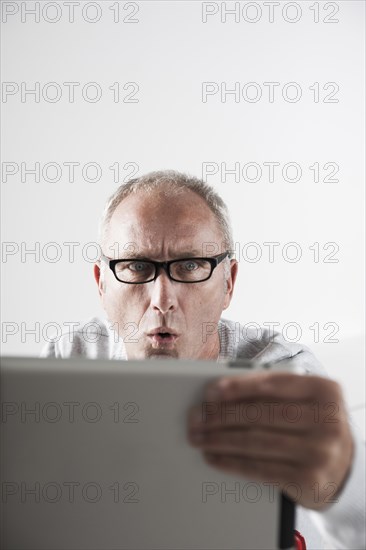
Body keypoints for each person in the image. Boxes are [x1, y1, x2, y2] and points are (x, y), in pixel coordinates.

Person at [42, 170, 365, 549]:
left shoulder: (281, 372)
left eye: (191, 265)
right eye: (136, 266)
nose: (162, 300)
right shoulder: (72, 361)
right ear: (101, 282)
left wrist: (343, 481)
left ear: (228, 283)